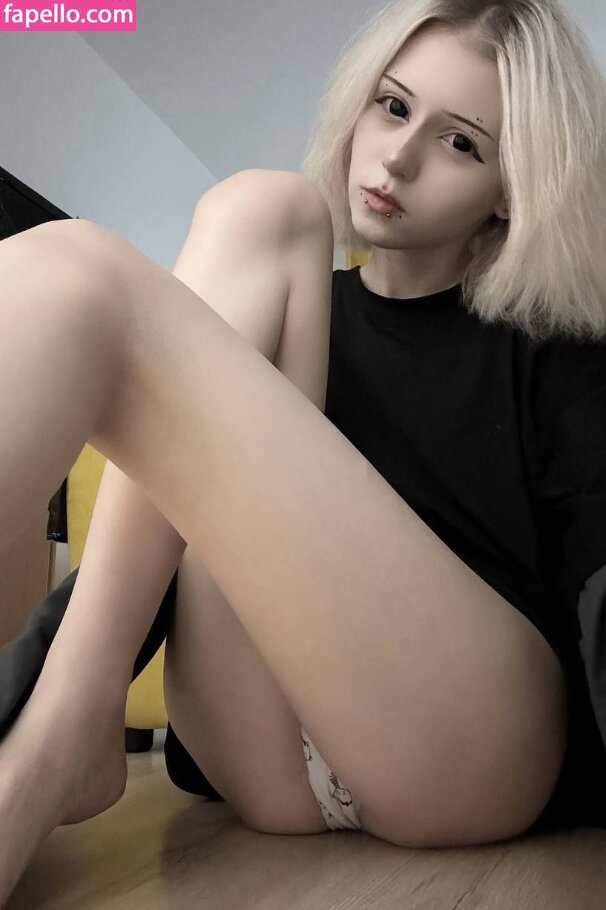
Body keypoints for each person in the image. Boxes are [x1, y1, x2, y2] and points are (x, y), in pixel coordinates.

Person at [1, 0, 606, 902]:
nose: (397, 158)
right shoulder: (288, 300)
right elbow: (154, 532)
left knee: (93, 269)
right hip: (264, 752)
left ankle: (48, 751)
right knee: (265, 208)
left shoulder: (551, 343)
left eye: (460, 143)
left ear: (512, 190)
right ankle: (61, 728)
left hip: (463, 750)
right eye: (393, 107)